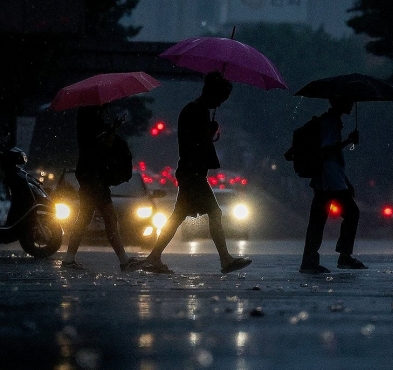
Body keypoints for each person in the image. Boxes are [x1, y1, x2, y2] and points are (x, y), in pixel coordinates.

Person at [141, 71, 251, 274]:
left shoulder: (196, 111)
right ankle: (225, 260)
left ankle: (154, 257)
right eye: (220, 99)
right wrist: (208, 134)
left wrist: (209, 134)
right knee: (214, 213)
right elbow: (194, 143)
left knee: (177, 217)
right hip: (192, 173)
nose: (219, 104)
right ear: (212, 93)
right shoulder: (196, 112)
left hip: (191, 172)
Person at [61, 105, 142, 272]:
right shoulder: (90, 122)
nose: (106, 109)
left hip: (91, 177)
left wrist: (112, 127)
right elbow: (103, 146)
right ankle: (124, 260)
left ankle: (69, 259)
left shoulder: (87, 121)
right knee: (109, 218)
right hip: (94, 178)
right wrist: (113, 129)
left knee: (85, 219)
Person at [299, 97, 368, 274]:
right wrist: (348, 141)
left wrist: (346, 180)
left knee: (318, 220)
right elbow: (327, 151)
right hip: (329, 181)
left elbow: (334, 157)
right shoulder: (330, 123)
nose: (352, 104)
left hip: (331, 179)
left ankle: (310, 260)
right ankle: (343, 256)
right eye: (349, 101)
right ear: (339, 102)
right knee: (351, 214)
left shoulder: (330, 121)